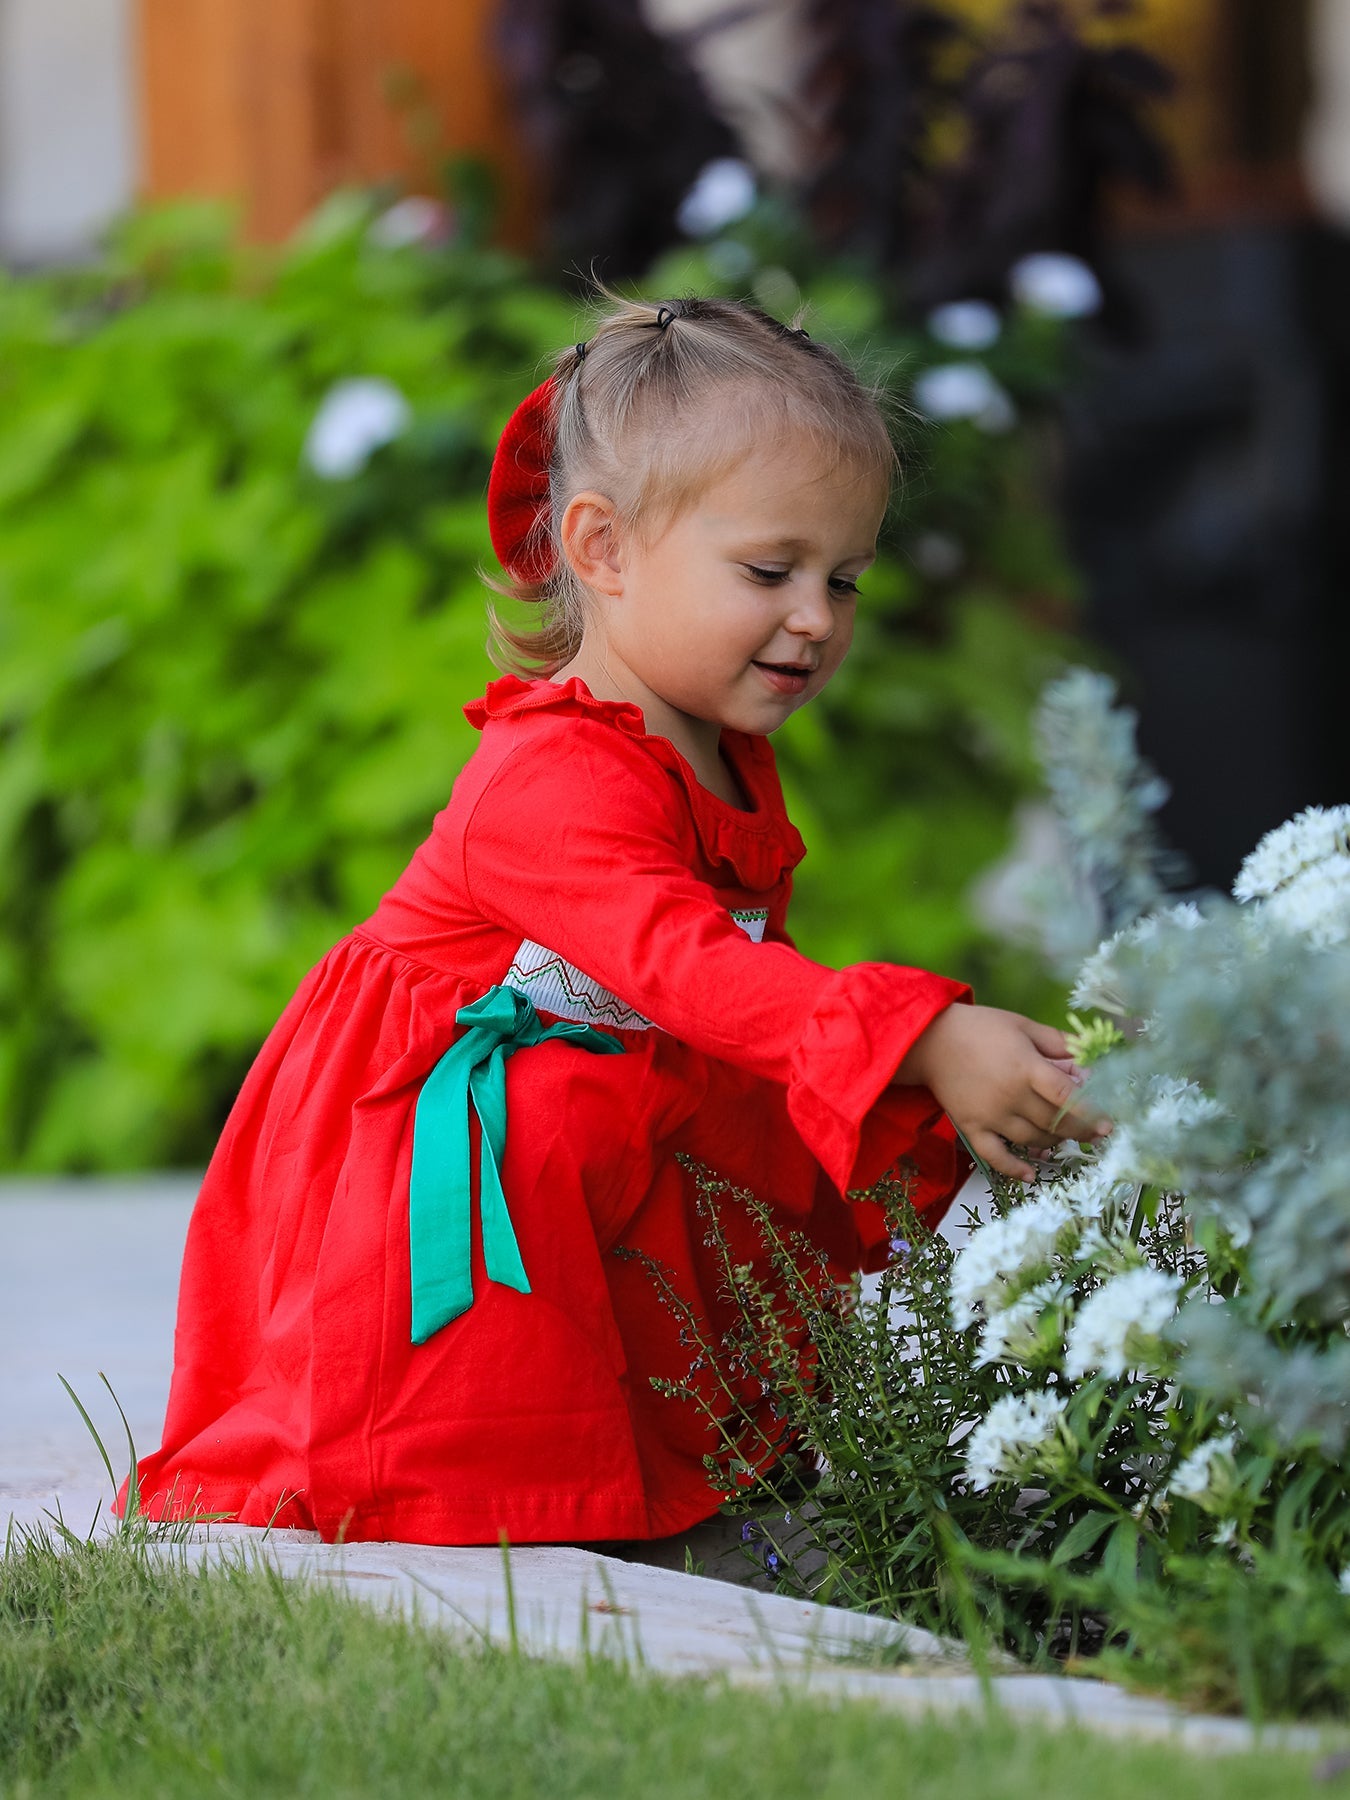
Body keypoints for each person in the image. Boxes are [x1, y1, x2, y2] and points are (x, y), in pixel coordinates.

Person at [123, 295, 1099, 1548]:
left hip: (614, 1072)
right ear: (604, 547)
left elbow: (729, 977)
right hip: (447, 1122)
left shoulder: (720, 747)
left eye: (844, 577)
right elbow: (682, 964)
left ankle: (687, 1462)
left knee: (688, 1136)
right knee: (545, 1158)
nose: (817, 616)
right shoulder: (551, 775)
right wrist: (911, 1037)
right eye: (769, 571)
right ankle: (488, 1496)